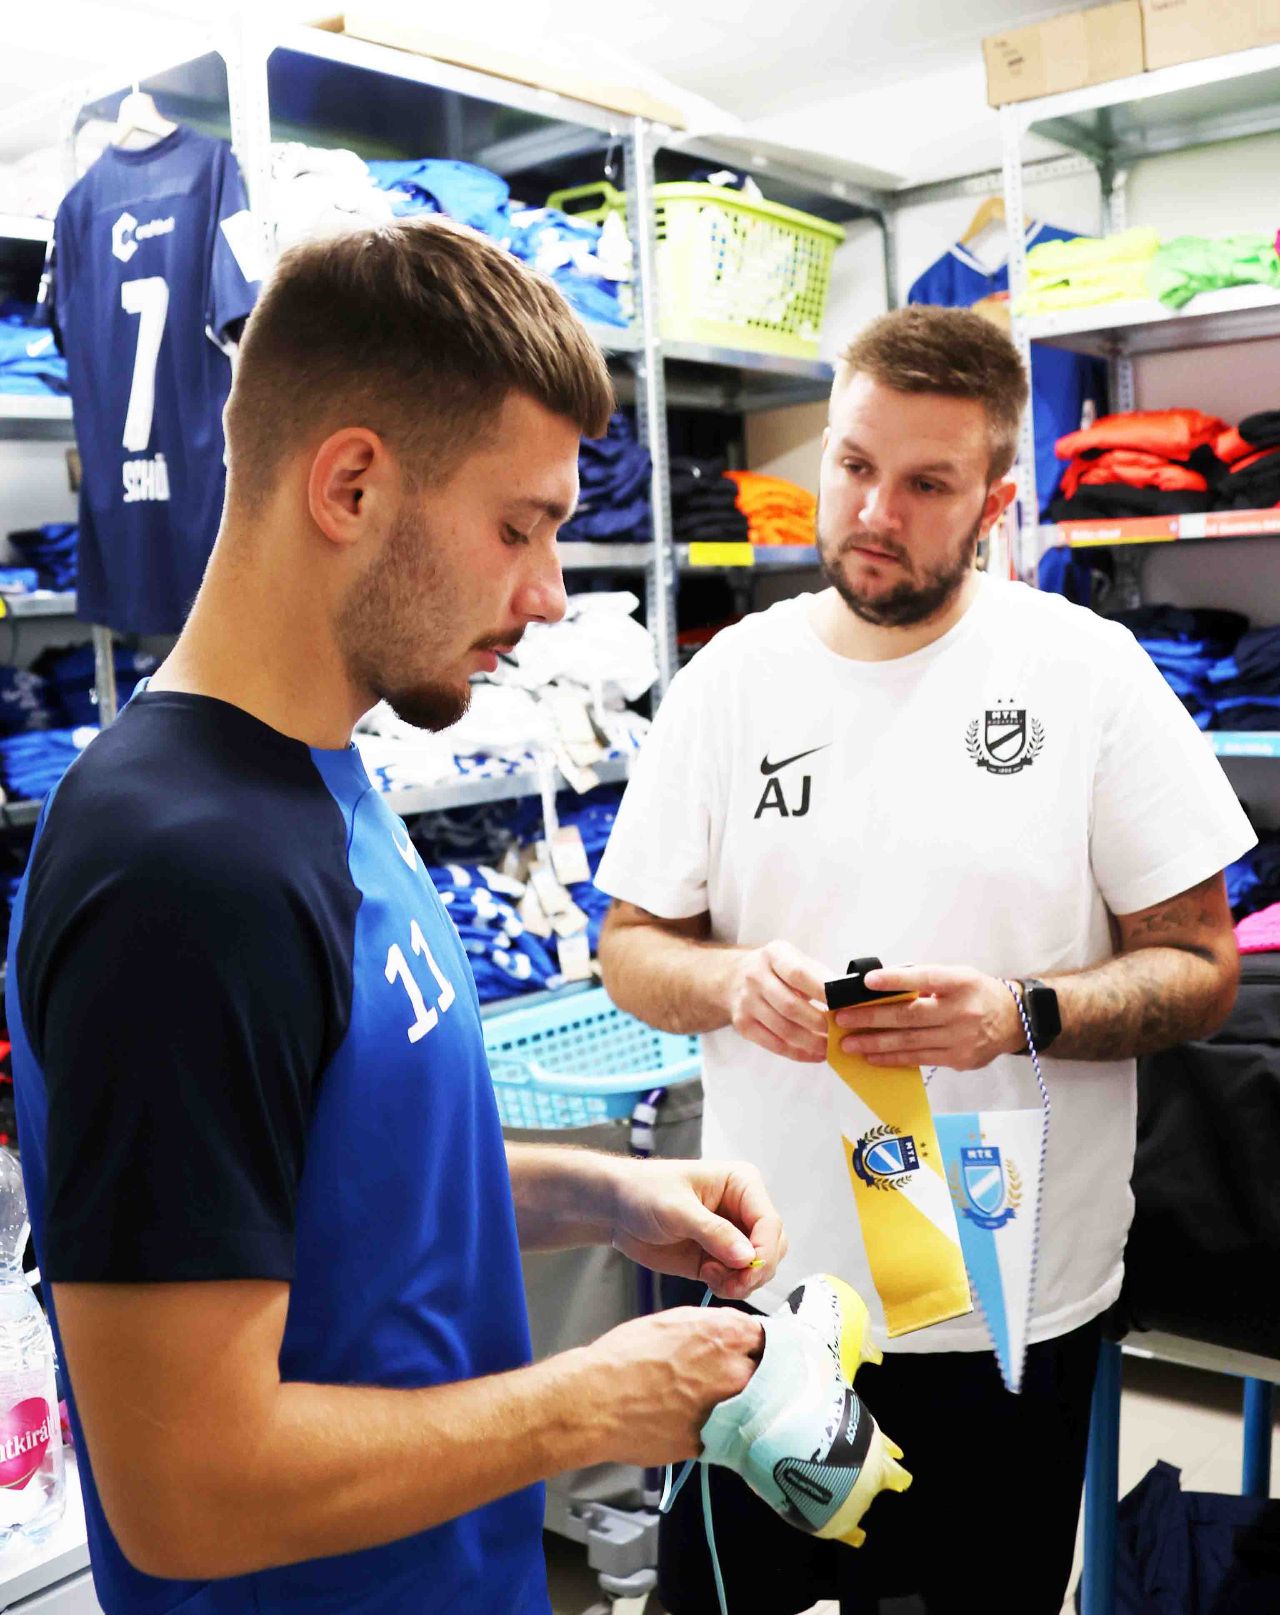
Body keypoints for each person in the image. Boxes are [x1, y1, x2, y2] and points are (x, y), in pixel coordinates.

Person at [7, 217, 784, 1615]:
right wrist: (589, 1405)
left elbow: (320, 1181)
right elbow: (186, 1489)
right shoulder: (179, 877)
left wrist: (597, 1197)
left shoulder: (321, 769)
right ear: (352, 485)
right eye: (518, 527)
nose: (548, 595)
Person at [595, 304, 1255, 1615]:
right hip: (771, 1291)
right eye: (851, 465)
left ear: (997, 503)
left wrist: (1024, 1013)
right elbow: (630, 948)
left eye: (926, 484)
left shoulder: (1089, 675)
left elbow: (1199, 963)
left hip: (1012, 1307)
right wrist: (730, 983)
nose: (873, 511)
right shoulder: (730, 684)